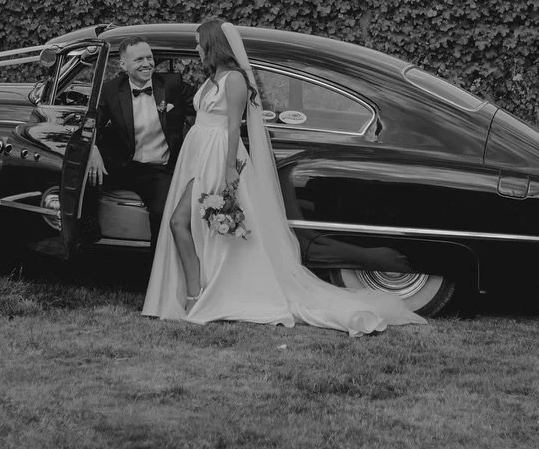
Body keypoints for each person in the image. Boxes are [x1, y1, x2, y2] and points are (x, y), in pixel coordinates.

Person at [141, 20, 427, 336]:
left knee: (188, 223)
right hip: (196, 154)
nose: (196, 48)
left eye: (199, 42)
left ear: (213, 44)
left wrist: (229, 169)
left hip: (217, 155)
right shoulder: (211, 79)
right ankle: (195, 293)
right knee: (184, 223)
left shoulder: (234, 79)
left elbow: (234, 127)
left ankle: (198, 297)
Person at [87, 36, 195, 246]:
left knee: (163, 214)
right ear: (123, 65)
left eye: (149, 58)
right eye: (139, 59)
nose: (147, 64)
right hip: (122, 165)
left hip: (158, 170)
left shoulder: (172, 84)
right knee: (82, 176)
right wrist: (93, 148)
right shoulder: (111, 90)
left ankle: (157, 263)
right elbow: (91, 122)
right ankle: (87, 241)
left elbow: (205, 104)